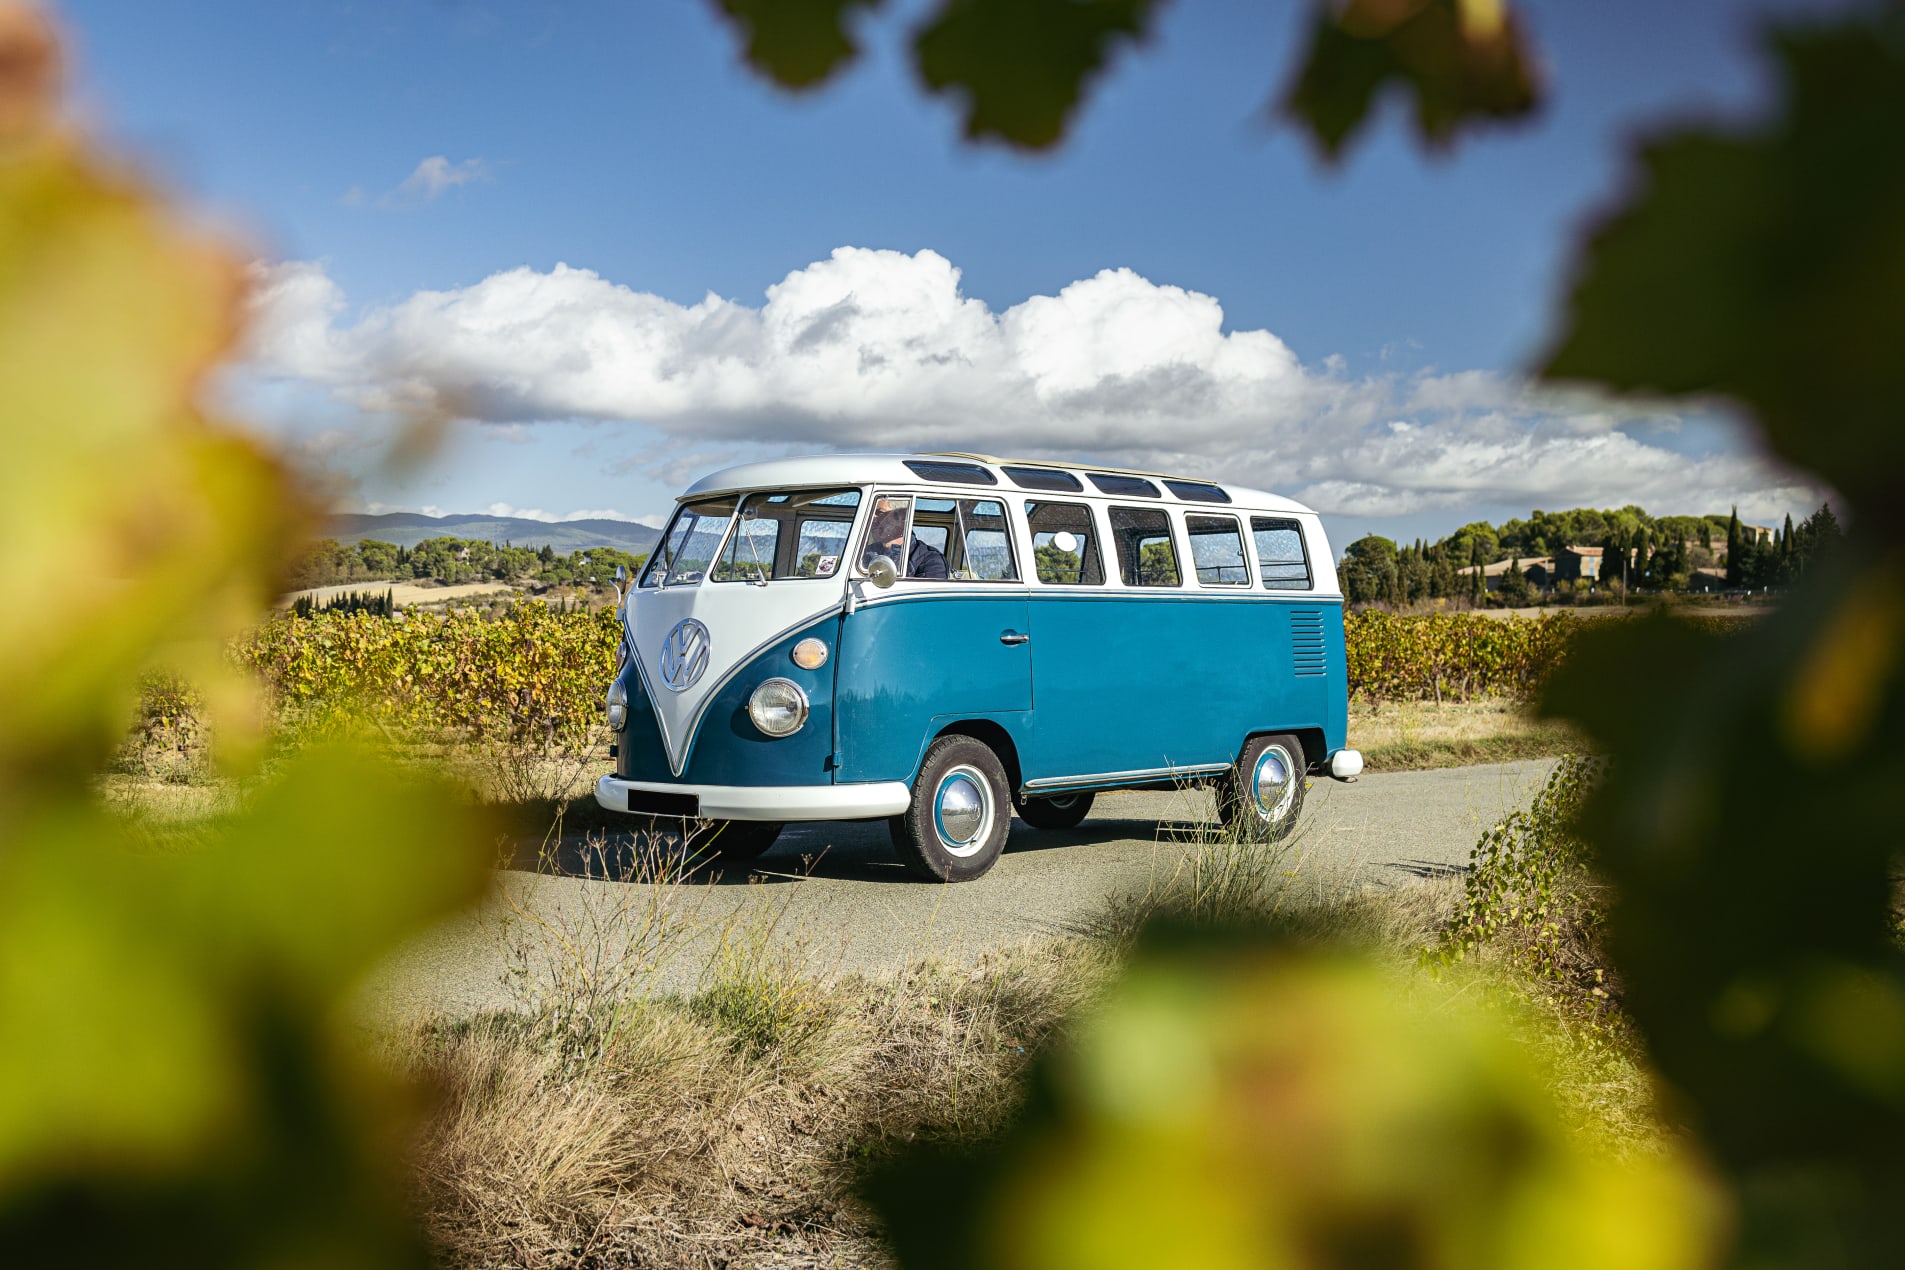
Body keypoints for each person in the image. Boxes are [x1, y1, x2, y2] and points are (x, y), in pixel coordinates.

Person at [864, 498, 948, 579]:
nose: (872, 518)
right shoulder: (865, 553)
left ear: (902, 519)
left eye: (880, 513)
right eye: (870, 513)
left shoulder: (931, 561)